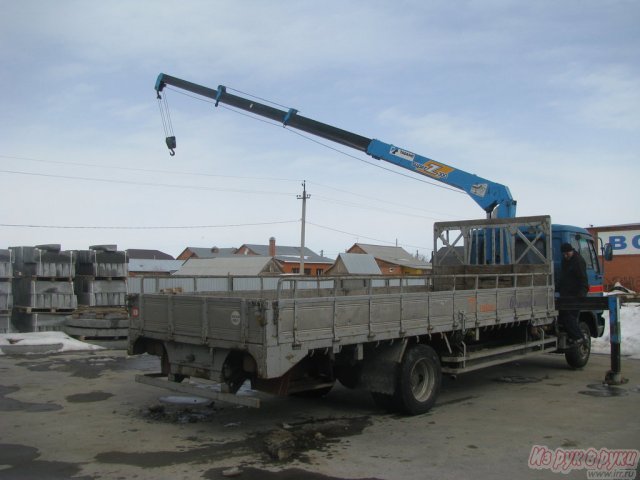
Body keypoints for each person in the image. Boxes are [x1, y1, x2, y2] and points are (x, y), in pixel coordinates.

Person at [558, 242, 589, 344]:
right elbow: (564, 277)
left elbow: (583, 280)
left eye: (567, 253)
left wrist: (581, 295)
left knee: (569, 316)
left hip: (575, 295)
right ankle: (574, 337)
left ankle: (578, 337)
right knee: (565, 316)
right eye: (564, 254)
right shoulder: (565, 261)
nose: (566, 256)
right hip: (566, 294)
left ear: (572, 251)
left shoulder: (578, 261)